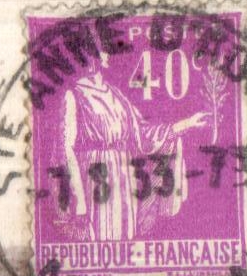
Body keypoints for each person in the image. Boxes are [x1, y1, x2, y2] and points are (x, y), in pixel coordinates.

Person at [61, 42, 209, 242]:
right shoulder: (74, 95)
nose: (107, 54)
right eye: (102, 50)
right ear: (90, 55)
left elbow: (143, 134)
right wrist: (79, 200)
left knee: (125, 239)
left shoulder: (116, 95)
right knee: (102, 238)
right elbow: (66, 149)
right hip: (96, 177)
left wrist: (186, 124)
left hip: (124, 177)